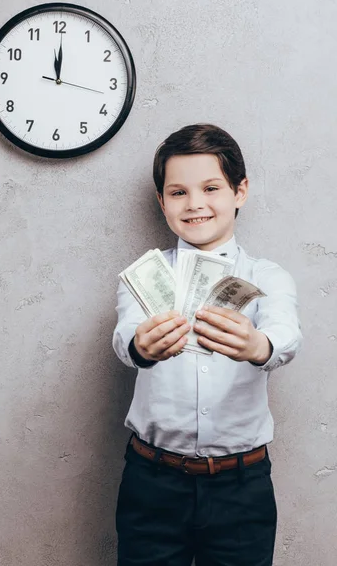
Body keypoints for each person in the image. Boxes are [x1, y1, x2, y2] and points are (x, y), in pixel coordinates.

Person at [112, 123, 302, 566]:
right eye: (178, 193)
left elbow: (286, 334)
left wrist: (259, 345)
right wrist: (142, 346)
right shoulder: (143, 276)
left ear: (240, 191)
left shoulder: (267, 277)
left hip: (242, 486)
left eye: (211, 187)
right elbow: (124, 340)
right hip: (151, 481)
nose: (195, 203)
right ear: (162, 202)